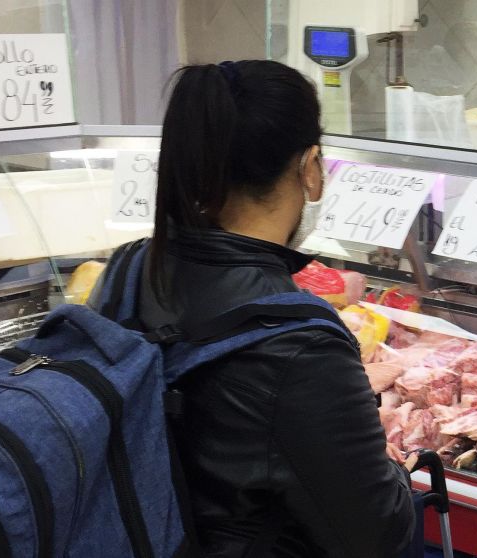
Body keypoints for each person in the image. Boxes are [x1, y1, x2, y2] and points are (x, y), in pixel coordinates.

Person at [98, 61, 415, 557]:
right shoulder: (299, 342)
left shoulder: (128, 266)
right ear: (310, 169)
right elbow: (377, 534)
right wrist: (395, 469)